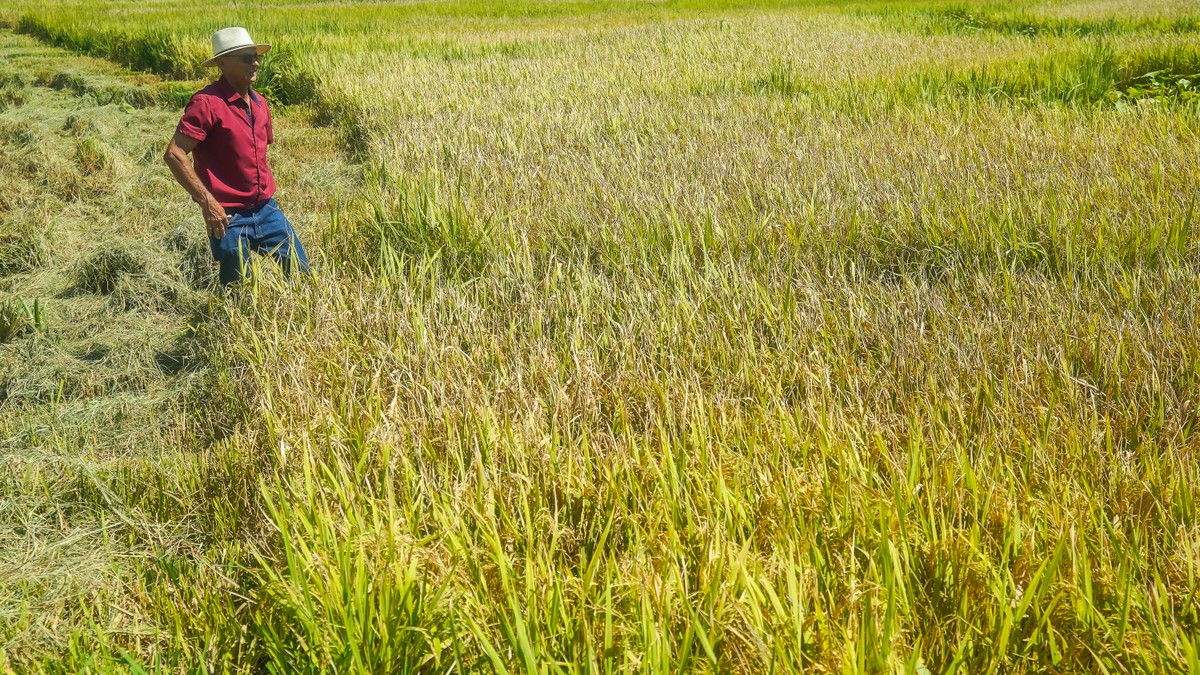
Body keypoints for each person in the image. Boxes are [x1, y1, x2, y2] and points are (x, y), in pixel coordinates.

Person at [163, 26, 308, 285]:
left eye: (256, 57)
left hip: (266, 208)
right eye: (245, 57)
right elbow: (174, 154)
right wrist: (208, 203)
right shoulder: (207, 104)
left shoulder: (261, 104)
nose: (254, 63)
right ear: (221, 62)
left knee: (301, 275)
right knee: (238, 288)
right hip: (227, 216)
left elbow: (256, 155)